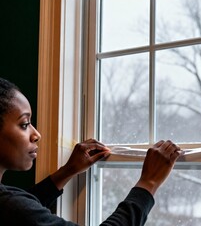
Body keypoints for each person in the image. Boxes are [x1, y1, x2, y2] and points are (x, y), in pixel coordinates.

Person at [0, 77, 182, 225]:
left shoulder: (11, 205)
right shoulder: (11, 206)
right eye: (24, 124)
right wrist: (148, 183)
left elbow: (25, 209)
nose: (36, 134)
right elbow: (21, 211)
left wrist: (67, 171)